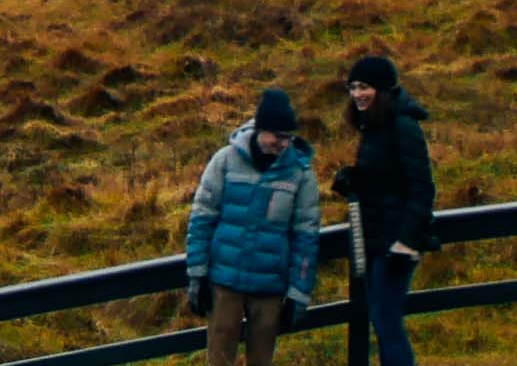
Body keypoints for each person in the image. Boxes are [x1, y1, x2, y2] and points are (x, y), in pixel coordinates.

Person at [185, 86, 324, 366]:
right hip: (225, 283)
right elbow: (202, 218)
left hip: (270, 287)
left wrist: (299, 292)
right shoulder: (224, 161)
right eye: (278, 135)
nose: (284, 144)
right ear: (260, 129)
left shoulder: (300, 175)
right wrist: (197, 274)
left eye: (289, 137)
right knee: (219, 359)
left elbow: (306, 237)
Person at [333, 52, 436, 366]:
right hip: (380, 237)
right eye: (353, 88)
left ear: (383, 89)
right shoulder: (376, 125)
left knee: (386, 321)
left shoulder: (402, 126)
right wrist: (355, 180)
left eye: (364, 87)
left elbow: (422, 187)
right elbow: (388, 179)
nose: (357, 94)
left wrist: (406, 240)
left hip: (396, 244)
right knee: (383, 320)